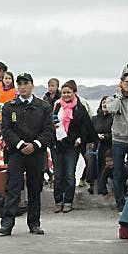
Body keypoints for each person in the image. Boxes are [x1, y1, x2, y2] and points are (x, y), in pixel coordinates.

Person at [0, 74, 54, 235]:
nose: (23, 87)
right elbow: (6, 130)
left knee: (35, 188)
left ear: (32, 85)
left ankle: (34, 223)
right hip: (16, 153)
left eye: (26, 83)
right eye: (20, 84)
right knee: (12, 188)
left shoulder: (43, 106)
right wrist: (20, 144)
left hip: (36, 153)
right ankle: (7, 224)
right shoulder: (9, 107)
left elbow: (49, 130)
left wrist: (35, 145)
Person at [50, 80, 96, 213]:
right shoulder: (57, 105)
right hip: (57, 144)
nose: (66, 95)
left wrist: (81, 139)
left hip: (72, 145)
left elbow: (86, 127)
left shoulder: (79, 108)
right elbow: (50, 122)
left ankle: (68, 201)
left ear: (74, 93)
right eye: (64, 92)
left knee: (70, 175)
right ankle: (58, 201)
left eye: (68, 92)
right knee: (58, 175)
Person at [105, 73, 128, 210]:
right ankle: (120, 203)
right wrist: (119, 95)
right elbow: (112, 109)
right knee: (118, 173)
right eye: (127, 82)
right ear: (121, 83)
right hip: (118, 140)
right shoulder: (113, 98)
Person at [89, 96, 113, 196]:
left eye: (107, 103)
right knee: (93, 166)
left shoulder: (113, 118)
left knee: (106, 167)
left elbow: (114, 133)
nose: (105, 104)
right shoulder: (95, 118)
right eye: (103, 102)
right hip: (96, 145)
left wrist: (105, 136)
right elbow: (90, 131)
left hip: (109, 146)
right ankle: (94, 186)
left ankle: (104, 189)